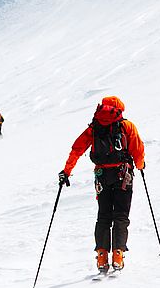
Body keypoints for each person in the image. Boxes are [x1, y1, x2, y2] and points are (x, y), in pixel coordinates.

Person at [58, 96, 145, 273]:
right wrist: (140, 165)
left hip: (101, 176)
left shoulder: (94, 127)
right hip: (123, 175)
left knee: (104, 216)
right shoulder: (126, 126)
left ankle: (102, 256)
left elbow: (77, 149)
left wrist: (66, 171)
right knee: (120, 215)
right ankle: (118, 254)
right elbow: (138, 148)